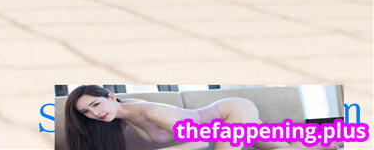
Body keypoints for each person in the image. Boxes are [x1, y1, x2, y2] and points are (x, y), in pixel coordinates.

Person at [64, 85, 341, 150]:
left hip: (230, 112)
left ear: (111, 96)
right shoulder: (121, 114)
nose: (95, 113)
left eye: (96, 104)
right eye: (86, 112)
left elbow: (199, 141)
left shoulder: (150, 112)